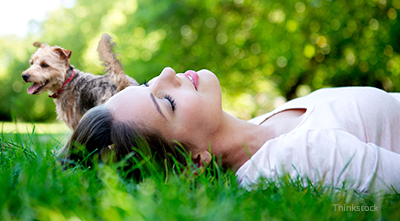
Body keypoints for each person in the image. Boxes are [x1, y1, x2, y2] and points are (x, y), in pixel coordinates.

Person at [60, 67, 400, 193]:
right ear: (195, 163)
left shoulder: (263, 126)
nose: (167, 72)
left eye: (150, 83)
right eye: (168, 103)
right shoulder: (297, 157)